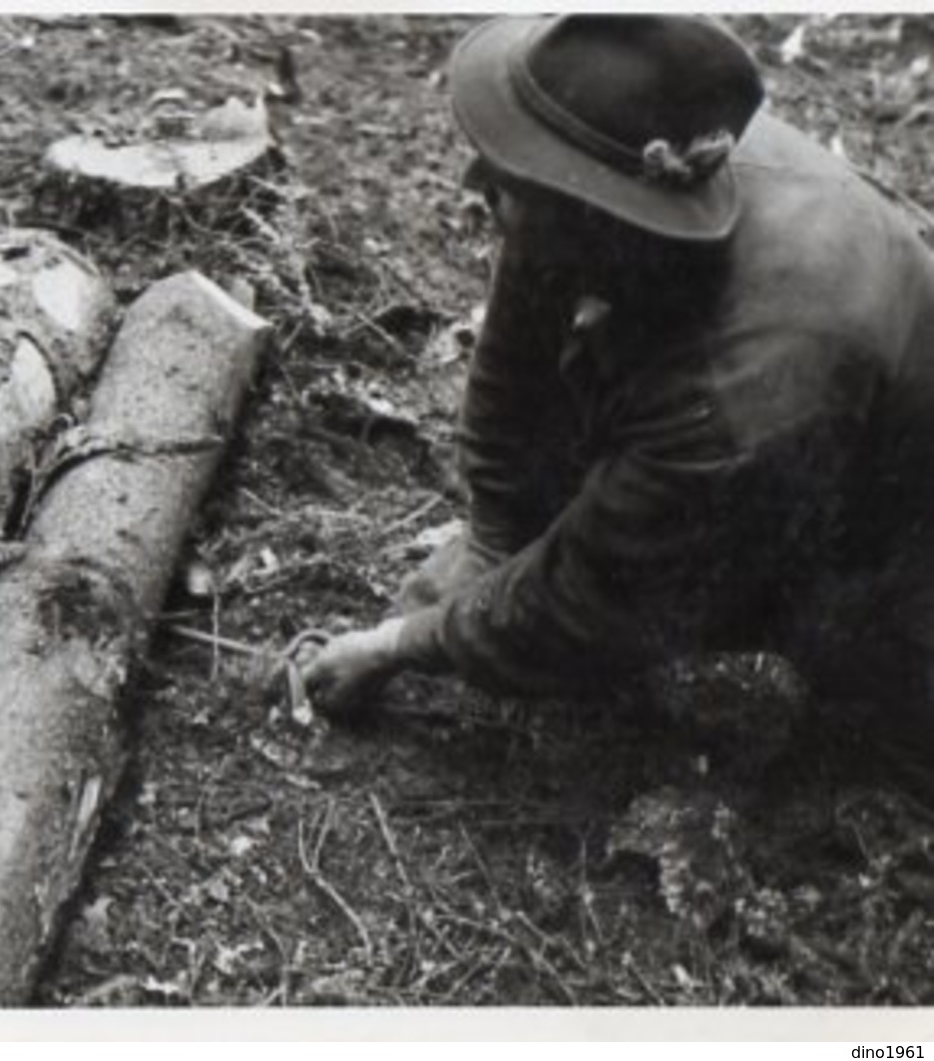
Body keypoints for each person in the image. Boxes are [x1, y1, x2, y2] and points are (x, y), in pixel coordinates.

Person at [300, 15, 934, 751]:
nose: (474, 183)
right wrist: (494, 534)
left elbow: (591, 600)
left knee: (872, 716)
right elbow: (516, 351)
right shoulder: (618, 150)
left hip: (898, 524)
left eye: (508, 180)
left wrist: (402, 644)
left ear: (602, 219)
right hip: (801, 424)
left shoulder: (745, 388)